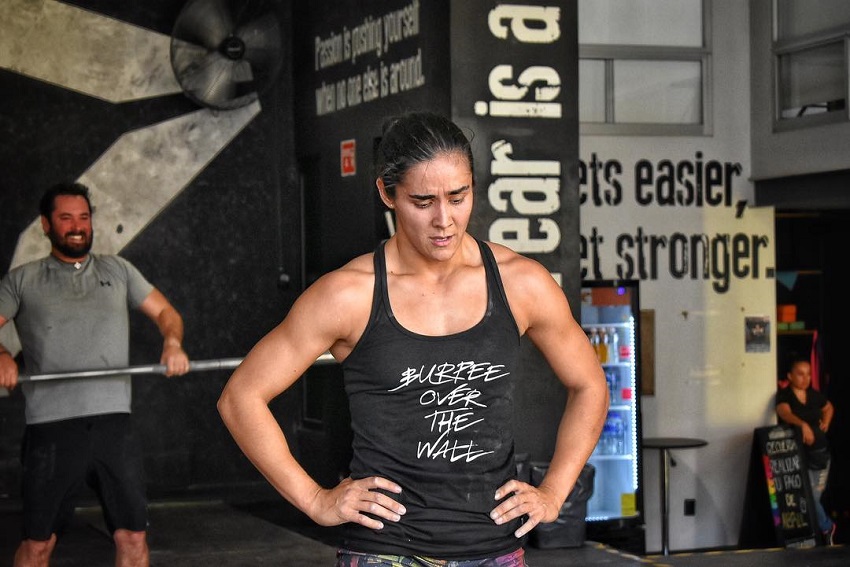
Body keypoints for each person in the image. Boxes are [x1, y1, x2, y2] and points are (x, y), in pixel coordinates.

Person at [218, 111, 609, 566]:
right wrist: (315, 500)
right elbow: (241, 397)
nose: (444, 219)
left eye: (458, 197)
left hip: (492, 550)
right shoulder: (348, 294)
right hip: (385, 551)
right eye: (423, 201)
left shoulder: (522, 283)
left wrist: (554, 492)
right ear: (387, 193)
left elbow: (590, 385)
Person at [0, 182, 190, 567]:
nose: (76, 226)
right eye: (66, 217)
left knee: (134, 537)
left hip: (113, 426)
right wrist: (2, 353)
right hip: (52, 428)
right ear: (46, 225)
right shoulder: (22, 280)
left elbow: (167, 313)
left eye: (83, 218)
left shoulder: (118, 270)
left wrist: (172, 343)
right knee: (38, 545)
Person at [776, 356, 836, 546]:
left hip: (820, 455)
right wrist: (803, 425)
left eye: (808, 374)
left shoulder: (814, 395)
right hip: (799, 455)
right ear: (790, 376)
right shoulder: (785, 395)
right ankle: (824, 528)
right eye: (800, 374)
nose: (806, 378)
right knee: (805, 495)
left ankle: (825, 527)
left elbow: (828, 407)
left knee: (813, 495)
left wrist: (826, 421)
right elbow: (784, 412)